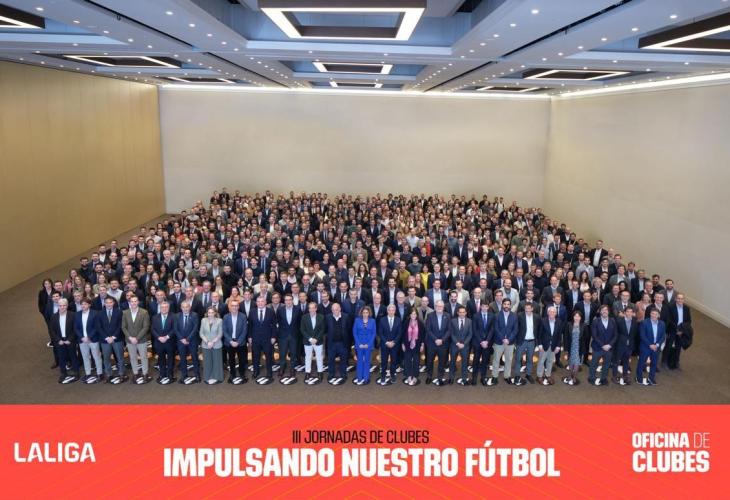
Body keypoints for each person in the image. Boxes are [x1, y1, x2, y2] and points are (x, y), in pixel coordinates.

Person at [122, 295, 151, 384]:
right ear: (129, 303)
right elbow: (123, 327)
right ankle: (135, 373)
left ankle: (145, 373)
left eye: (135, 301)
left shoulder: (144, 312)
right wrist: (130, 337)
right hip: (130, 340)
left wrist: (137, 338)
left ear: (138, 302)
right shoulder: (125, 313)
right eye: (132, 301)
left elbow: (146, 327)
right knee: (133, 357)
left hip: (141, 340)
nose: (134, 303)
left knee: (143, 357)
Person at [49, 299, 79, 384]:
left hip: (70, 340)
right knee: (61, 358)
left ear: (67, 306)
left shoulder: (73, 315)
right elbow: (52, 331)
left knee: (73, 356)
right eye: (60, 306)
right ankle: (63, 373)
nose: (62, 307)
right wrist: (58, 340)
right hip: (59, 341)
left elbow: (75, 329)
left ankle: (76, 372)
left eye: (64, 305)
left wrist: (70, 339)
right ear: (58, 306)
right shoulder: (54, 316)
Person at [98, 296, 126, 384]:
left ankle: (121, 373)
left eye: (110, 302)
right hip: (105, 340)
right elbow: (99, 327)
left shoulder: (119, 312)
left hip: (117, 339)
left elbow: (120, 325)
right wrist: (107, 338)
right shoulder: (100, 313)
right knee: (106, 358)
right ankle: (108, 374)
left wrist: (113, 337)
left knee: (120, 357)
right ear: (104, 304)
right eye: (107, 303)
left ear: (113, 303)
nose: (109, 304)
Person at [74, 298, 103, 384]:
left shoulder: (95, 313)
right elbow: (76, 328)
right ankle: (88, 373)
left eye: (85, 304)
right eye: (82, 304)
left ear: (89, 305)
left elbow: (97, 327)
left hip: (93, 339)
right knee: (85, 357)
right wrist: (82, 337)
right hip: (82, 340)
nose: (83, 305)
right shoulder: (77, 314)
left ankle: (99, 373)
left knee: (96, 356)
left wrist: (89, 337)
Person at [489, 298, 517, 386]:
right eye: (505, 304)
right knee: (496, 359)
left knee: (509, 360)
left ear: (510, 305)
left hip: (510, 342)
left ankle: (507, 376)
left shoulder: (514, 316)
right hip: (499, 341)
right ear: (502, 305)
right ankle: (494, 376)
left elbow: (515, 330)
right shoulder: (497, 315)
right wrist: (503, 338)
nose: (506, 306)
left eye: (508, 304)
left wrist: (509, 339)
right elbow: (496, 328)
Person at [249, 295, 276, 384]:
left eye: (262, 301)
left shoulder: (270, 311)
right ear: (256, 303)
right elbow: (250, 325)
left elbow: (274, 325)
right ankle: (256, 371)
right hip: (255, 338)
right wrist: (249, 337)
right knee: (255, 356)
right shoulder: (252, 312)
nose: (260, 303)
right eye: (258, 301)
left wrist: (273, 336)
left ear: (265, 302)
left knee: (268, 356)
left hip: (267, 338)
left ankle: (269, 372)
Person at [636, 308, 666, 386]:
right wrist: (650, 345)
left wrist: (657, 345)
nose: (654, 315)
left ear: (658, 315)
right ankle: (638, 378)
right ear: (650, 314)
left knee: (654, 363)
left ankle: (651, 378)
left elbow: (663, 336)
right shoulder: (644, 322)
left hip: (656, 347)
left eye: (656, 314)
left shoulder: (662, 323)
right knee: (641, 363)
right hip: (645, 346)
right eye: (652, 313)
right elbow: (642, 335)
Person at [589, 305, 617, 386]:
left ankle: (603, 378)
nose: (604, 311)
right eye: (603, 310)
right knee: (594, 363)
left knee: (606, 365)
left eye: (606, 310)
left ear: (608, 311)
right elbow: (594, 335)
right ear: (600, 311)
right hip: (598, 347)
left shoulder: (613, 321)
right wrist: (603, 345)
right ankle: (591, 377)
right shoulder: (595, 321)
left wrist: (610, 345)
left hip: (609, 348)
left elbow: (615, 334)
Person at [424, 300, 450, 386]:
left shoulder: (447, 316)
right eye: (438, 306)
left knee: (442, 361)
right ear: (435, 307)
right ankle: (429, 376)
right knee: (430, 361)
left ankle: (440, 376)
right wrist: (436, 339)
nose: (439, 308)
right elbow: (428, 329)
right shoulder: (430, 315)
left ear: (443, 307)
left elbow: (449, 330)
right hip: (432, 343)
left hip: (443, 343)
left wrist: (442, 340)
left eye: (441, 306)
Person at [222, 300, 248, 385]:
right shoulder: (226, 317)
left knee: (242, 359)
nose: (234, 307)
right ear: (229, 307)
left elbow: (244, 330)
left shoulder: (243, 316)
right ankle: (232, 374)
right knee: (231, 360)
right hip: (229, 342)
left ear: (238, 307)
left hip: (241, 342)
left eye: (236, 306)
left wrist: (238, 341)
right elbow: (224, 331)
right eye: (232, 306)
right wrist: (230, 341)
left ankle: (242, 374)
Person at [514, 301, 540, 385]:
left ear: (532, 309)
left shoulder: (537, 317)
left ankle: (528, 374)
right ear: (524, 309)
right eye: (526, 308)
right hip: (521, 341)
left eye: (529, 308)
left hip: (531, 342)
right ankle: (517, 375)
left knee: (530, 359)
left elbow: (538, 330)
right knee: (518, 358)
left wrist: (537, 342)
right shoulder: (519, 315)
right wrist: (515, 342)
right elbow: (516, 328)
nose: (527, 310)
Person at [537, 306, 564, 385]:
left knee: (550, 361)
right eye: (550, 312)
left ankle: (548, 375)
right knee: (541, 361)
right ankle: (539, 376)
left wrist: (558, 346)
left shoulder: (559, 321)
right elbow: (539, 334)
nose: (552, 313)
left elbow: (559, 335)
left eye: (554, 312)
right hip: (544, 345)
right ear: (548, 313)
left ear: (556, 313)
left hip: (553, 346)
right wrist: (540, 345)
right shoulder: (543, 321)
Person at [175, 300, 201, 384]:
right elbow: (175, 329)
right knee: (182, 358)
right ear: (181, 308)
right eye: (183, 307)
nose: (185, 308)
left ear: (189, 307)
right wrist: (182, 339)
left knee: (194, 357)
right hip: (181, 341)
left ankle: (197, 374)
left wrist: (188, 339)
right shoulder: (177, 316)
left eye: (187, 307)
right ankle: (184, 374)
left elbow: (195, 328)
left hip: (192, 340)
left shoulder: (194, 315)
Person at [300, 302, 325, 384]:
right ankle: (307, 372)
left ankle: (320, 372)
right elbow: (302, 329)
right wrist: (310, 339)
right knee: (308, 357)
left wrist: (316, 339)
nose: (311, 310)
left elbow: (322, 329)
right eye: (310, 308)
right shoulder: (304, 317)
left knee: (319, 357)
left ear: (316, 308)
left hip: (318, 341)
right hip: (308, 341)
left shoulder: (321, 317)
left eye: (313, 308)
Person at [613, 305, 638, 385]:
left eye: (631, 312)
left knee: (626, 361)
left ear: (633, 313)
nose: (629, 313)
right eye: (627, 311)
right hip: (619, 345)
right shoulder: (619, 321)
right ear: (624, 313)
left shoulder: (635, 321)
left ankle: (625, 376)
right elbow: (615, 333)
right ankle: (614, 376)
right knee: (616, 361)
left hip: (629, 345)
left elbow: (635, 334)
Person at [666, 293, 692, 370]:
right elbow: (669, 320)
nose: (680, 300)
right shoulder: (671, 307)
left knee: (678, 347)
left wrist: (682, 330)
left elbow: (688, 321)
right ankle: (666, 362)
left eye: (682, 299)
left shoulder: (686, 308)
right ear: (675, 299)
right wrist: (677, 329)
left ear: (683, 300)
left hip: (682, 331)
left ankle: (676, 362)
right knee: (669, 346)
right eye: (678, 298)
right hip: (672, 330)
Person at [378, 304, 402, 385]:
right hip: (385, 344)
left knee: (393, 361)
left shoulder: (398, 320)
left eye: (393, 310)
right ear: (387, 311)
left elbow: (399, 333)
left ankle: (392, 375)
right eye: (389, 310)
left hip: (394, 345)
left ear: (395, 311)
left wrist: (394, 342)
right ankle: (383, 375)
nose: (391, 312)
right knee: (384, 361)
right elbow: (380, 333)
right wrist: (386, 342)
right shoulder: (382, 320)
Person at [471, 301, 494, 386]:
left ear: (488, 307)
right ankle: (474, 377)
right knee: (476, 360)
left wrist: (487, 341)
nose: (484, 308)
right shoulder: (475, 316)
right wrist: (481, 341)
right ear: (480, 307)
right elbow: (474, 329)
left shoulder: (492, 316)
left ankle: (483, 377)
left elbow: (492, 329)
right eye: (483, 306)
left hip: (487, 343)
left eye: (486, 306)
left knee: (485, 361)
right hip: (478, 342)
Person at [448, 306, 472, 385]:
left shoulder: (469, 321)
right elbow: (451, 333)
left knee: (464, 362)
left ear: (466, 313)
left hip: (465, 346)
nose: (462, 314)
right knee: (452, 362)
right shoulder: (453, 321)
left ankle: (464, 377)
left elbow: (470, 334)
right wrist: (457, 343)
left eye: (463, 312)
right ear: (458, 313)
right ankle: (451, 377)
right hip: (454, 345)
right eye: (460, 312)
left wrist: (464, 343)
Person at [326, 303, 349, 384]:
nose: (335, 311)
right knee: (330, 360)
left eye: (336, 309)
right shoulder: (328, 317)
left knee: (343, 360)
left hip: (342, 343)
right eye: (333, 310)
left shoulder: (346, 316)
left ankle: (343, 373)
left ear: (340, 309)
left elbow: (349, 329)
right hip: (331, 343)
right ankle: (331, 374)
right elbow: (326, 329)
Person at [200, 306, 224, 384]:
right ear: (207, 313)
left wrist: (212, 342)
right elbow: (201, 333)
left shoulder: (219, 321)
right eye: (209, 313)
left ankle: (217, 377)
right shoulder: (203, 320)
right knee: (207, 362)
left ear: (215, 313)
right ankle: (208, 377)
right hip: (205, 344)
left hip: (216, 344)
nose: (210, 314)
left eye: (212, 312)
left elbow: (220, 333)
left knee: (217, 362)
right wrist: (207, 342)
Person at [353, 307, 376, 385]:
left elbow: (373, 333)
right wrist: (359, 343)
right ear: (361, 313)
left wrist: (368, 344)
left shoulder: (372, 321)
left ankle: (366, 377)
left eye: (367, 312)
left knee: (367, 361)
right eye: (364, 313)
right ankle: (359, 377)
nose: (365, 314)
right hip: (359, 344)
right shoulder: (357, 320)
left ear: (369, 313)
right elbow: (354, 333)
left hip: (368, 344)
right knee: (359, 361)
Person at [401, 308, 424, 386]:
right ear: (409, 315)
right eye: (412, 314)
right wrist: (403, 344)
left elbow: (422, 335)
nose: (413, 315)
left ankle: (415, 376)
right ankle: (408, 375)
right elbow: (403, 334)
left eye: (414, 314)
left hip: (417, 345)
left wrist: (422, 344)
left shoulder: (420, 323)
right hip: (407, 344)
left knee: (416, 361)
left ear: (417, 315)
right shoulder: (406, 322)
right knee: (407, 360)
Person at [562, 310, 584, 385]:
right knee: (571, 362)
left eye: (578, 316)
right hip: (571, 346)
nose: (577, 318)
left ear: (581, 317)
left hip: (579, 347)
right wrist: (565, 348)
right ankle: (570, 375)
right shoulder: (569, 324)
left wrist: (584, 349)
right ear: (573, 317)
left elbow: (585, 339)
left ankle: (574, 376)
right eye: (575, 316)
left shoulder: (584, 326)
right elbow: (565, 337)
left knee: (577, 363)